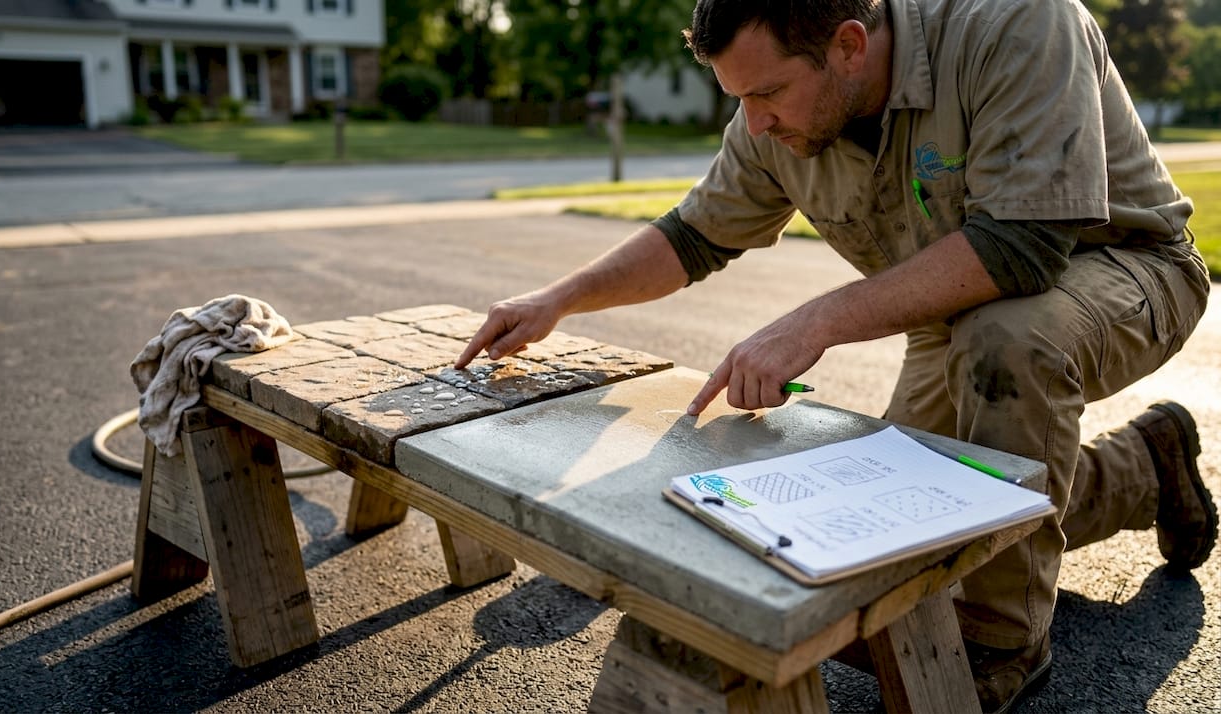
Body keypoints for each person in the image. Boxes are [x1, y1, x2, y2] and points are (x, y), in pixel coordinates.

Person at [456, 0, 1217, 710]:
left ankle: (1001, 643)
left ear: (849, 45)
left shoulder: (1016, 22)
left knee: (1008, 343)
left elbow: (1024, 248)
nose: (754, 125)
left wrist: (814, 322)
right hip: (961, 311)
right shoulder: (774, 116)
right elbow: (692, 236)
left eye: (769, 95)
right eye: (738, 99)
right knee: (908, 517)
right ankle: (1142, 467)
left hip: (1125, 266)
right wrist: (557, 299)